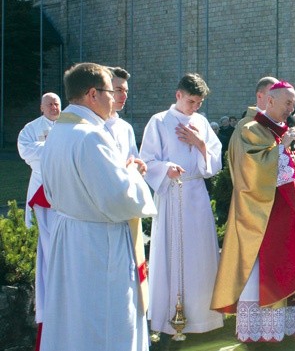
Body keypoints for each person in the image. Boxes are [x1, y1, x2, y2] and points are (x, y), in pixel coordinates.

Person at [40, 62, 155, 351]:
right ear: (93, 94)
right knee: (105, 320)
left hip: (69, 235)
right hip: (99, 243)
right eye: (109, 92)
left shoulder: (60, 131)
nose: (114, 99)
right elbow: (120, 199)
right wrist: (133, 173)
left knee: (73, 317)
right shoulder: (92, 136)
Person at [211, 81, 295, 342]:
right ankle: (262, 330)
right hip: (264, 216)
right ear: (269, 100)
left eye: (294, 104)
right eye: (287, 103)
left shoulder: (294, 132)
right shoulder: (251, 129)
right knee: (266, 270)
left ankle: (289, 326)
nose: (292, 108)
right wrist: (280, 150)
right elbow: (249, 172)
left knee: (294, 261)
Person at [140, 73, 224, 339]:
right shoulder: (159, 121)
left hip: (196, 194)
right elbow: (146, 161)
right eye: (191, 101)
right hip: (171, 193)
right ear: (178, 95)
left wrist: (198, 142)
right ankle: (168, 319)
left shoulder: (200, 122)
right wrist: (166, 168)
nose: (195, 107)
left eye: (199, 102)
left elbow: (215, 161)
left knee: (200, 254)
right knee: (171, 253)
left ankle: (203, 319)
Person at [104, 67, 150, 327]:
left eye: (126, 91)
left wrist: (139, 169)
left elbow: (134, 161)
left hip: (127, 208)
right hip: (103, 212)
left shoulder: (125, 128)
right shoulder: (92, 128)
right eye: (118, 90)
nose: (123, 96)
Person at [16, 92, 61, 334]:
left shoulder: (69, 123)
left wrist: (47, 150)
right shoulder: (30, 128)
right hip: (40, 187)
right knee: (40, 239)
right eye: (50, 104)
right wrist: (54, 148)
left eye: (57, 103)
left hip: (65, 188)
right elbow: (27, 153)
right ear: (41, 107)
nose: (54, 107)